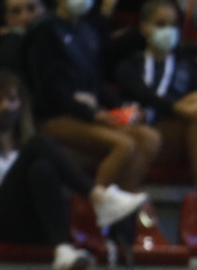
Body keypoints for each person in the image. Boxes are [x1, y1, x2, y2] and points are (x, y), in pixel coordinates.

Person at [0, 70, 147, 270]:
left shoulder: (25, 143)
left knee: (42, 169)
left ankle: (63, 250)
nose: (6, 106)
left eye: (12, 99)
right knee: (39, 143)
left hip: (33, 222)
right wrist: (0, 189)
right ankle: (99, 197)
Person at [24, 0, 162, 194]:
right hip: (56, 114)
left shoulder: (89, 31)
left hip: (88, 111)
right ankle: (98, 205)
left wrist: (123, 107)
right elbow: (47, 86)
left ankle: (124, 198)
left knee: (150, 138)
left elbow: (98, 82)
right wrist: (91, 113)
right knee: (124, 145)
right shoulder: (45, 30)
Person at [115, 0, 197, 191]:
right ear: (144, 27)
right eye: (161, 24)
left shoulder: (185, 64)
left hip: (182, 132)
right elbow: (145, 96)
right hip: (148, 130)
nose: (168, 31)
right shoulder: (129, 65)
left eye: (173, 25)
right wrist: (181, 106)